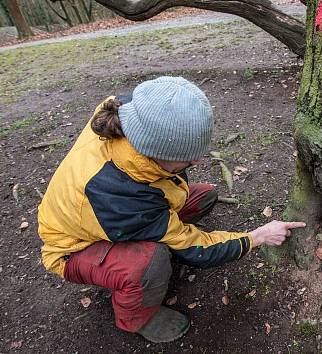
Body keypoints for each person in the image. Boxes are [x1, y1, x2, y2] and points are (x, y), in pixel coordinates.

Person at [37, 76, 306, 343]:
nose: (197, 160)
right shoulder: (121, 197)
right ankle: (136, 318)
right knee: (150, 263)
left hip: (113, 215)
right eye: (186, 159)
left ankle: (151, 241)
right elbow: (196, 248)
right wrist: (257, 237)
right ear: (156, 151)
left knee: (202, 195)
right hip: (74, 248)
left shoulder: (130, 111)